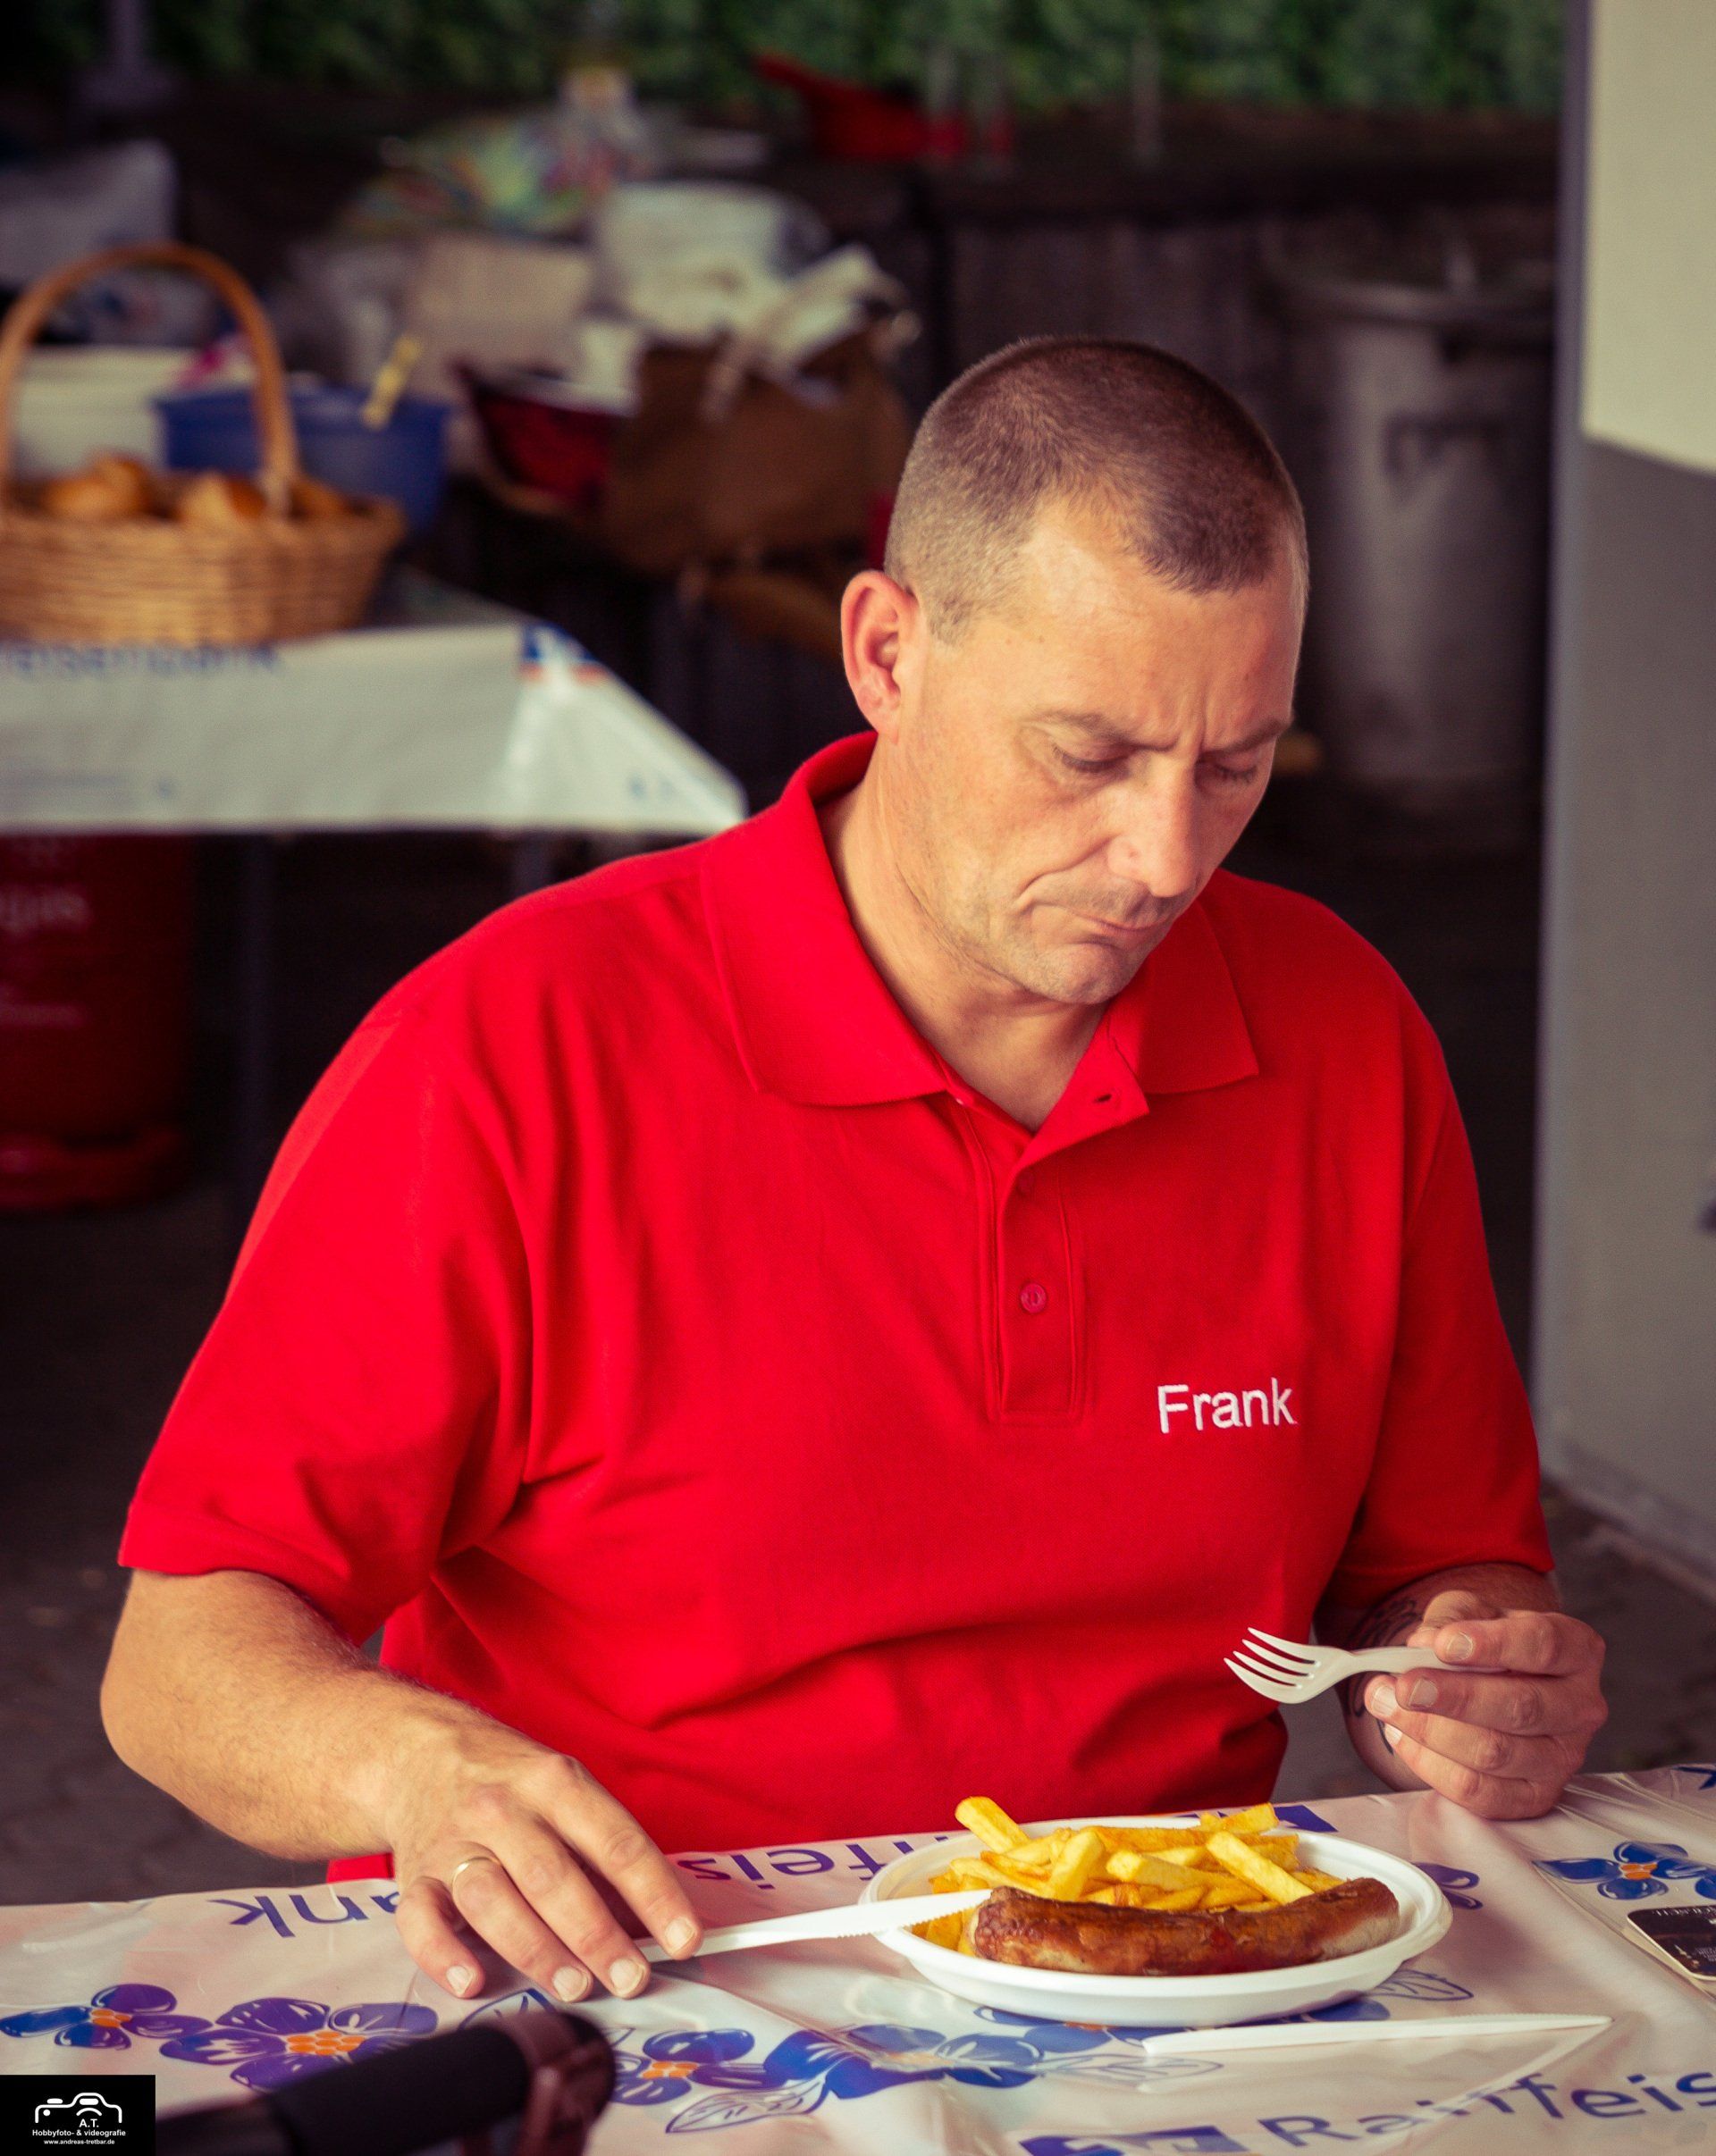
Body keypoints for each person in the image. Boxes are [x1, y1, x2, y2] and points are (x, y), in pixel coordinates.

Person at [102, 337, 1606, 2012]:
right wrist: (412, 1769)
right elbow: (178, 1662)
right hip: (640, 1986)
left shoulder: (1344, 1031)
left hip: (1168, 1992)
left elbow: (1445, 1574)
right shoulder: (509, 1044)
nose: (1166, 856)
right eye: (1088, 755)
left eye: (1236, 764)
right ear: (887, 652)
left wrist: (1468, 1677)